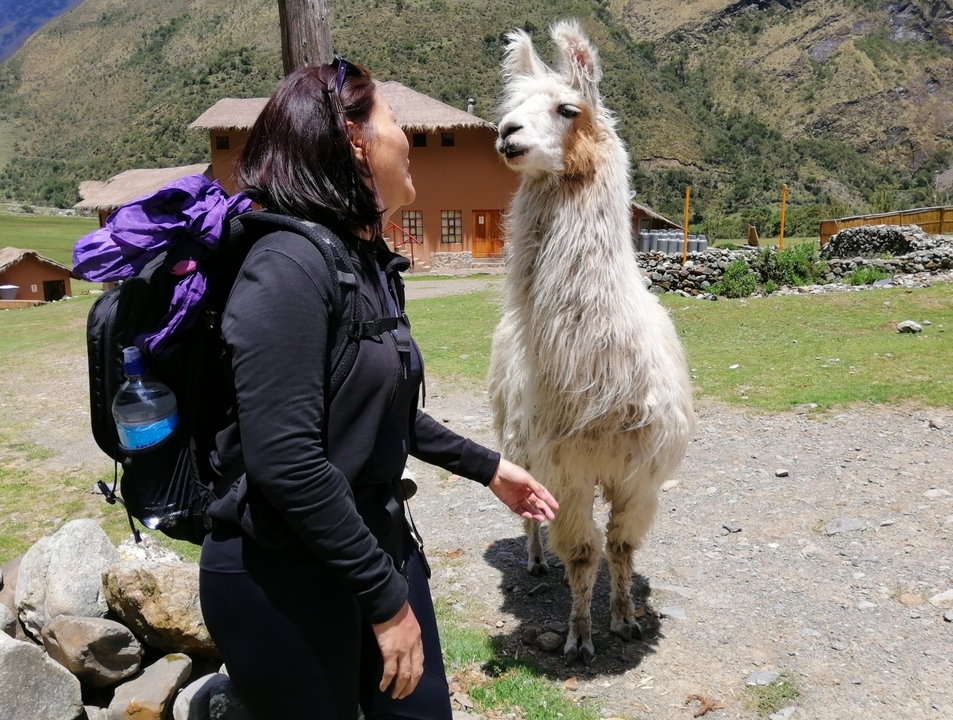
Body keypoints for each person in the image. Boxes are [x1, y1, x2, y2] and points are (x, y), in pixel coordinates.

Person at [198, 59, 559, 720]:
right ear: (354, 139)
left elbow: (377, 408)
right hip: (283, 574)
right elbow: (285, 459)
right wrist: (385, 600)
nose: (409, 139)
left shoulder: (363, 264)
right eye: (395, 122)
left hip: (371, 545)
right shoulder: (284, 268)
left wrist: (488, 467)